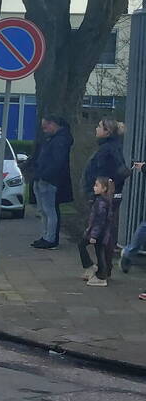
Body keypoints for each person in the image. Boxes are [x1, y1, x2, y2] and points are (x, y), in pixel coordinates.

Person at [83, 119, 130, 252]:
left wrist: (96, 191)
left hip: (104, 192)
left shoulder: (107, 149)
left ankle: (105, 256)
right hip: (107, 191)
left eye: (99, 127)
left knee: (103, 222)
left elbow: (102, 172)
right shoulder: (112, 147)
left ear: (107, 132)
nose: (96, 129)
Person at [26, 116, 73, 249]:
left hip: (49, 180)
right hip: (43, 178)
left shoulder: (60, 140)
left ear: (53, 124)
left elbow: (57, 162)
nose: (44, 130)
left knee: (49, 210)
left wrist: (44, 176)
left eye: (46, 126)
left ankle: (50, 239)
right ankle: (46, 236)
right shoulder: (53, 139)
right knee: (43, 210)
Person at [79, 176, 115, 287]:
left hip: (99, 234)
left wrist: (93, 235)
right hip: (99, 233)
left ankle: (101, 276)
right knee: (97, 251)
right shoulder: (101, 200)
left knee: (99, 253)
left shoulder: (101, 202)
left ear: (103, 188)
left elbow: (100, 221)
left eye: (96, 185)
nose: (94, 187)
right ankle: (97, 270)